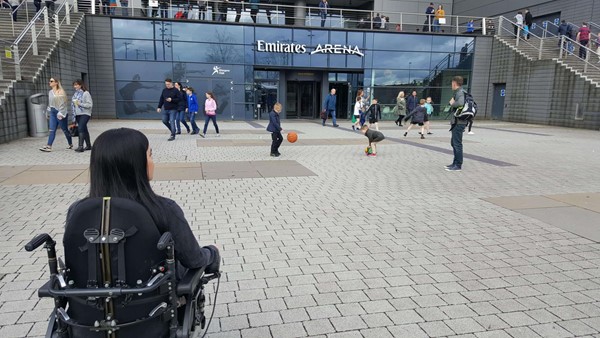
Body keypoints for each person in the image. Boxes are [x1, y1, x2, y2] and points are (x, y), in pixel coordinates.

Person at [77, 127, 220, 283]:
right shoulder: (163, 209)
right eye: (150, 155)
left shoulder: (78, 212)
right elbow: (194, 260)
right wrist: (212, 253)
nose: (152, 161)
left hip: (88, 301)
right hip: (153, 298)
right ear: (136, 164)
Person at [40, 78, 72, 152]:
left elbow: (63, 104)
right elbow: (50, 103)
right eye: (50, 81)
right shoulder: (50, 92)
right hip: (52, 111)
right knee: (52, 130)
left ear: (56, 83)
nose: (49, 82)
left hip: (60, 112)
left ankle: (70, 143)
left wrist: (61, 112)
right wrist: (48, 112)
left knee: (65, 130)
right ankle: (49, 146)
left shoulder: (61, 92)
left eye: (51, 81)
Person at [446, 76, 468, 172]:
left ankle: (458, 165)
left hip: (459, 122)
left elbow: (461, 103)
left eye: (452, 83)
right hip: (458, 121)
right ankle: (455, 163)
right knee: (454, 143)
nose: (451, 85)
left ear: (454, 83)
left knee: (457, 143)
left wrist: (452, 103)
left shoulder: (460, 92)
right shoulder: (460, 92)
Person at [71, 80, 93, 152]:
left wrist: (80, 104)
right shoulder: (75, 94)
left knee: (80, 128)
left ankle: (80, 146)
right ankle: (89, 145)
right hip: (77, 114)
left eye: (76, 85)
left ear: (80, 85)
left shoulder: (86, 93)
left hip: (85, 114)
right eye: (74, 85)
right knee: (84, 129)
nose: (75, 86)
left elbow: (89, 105)